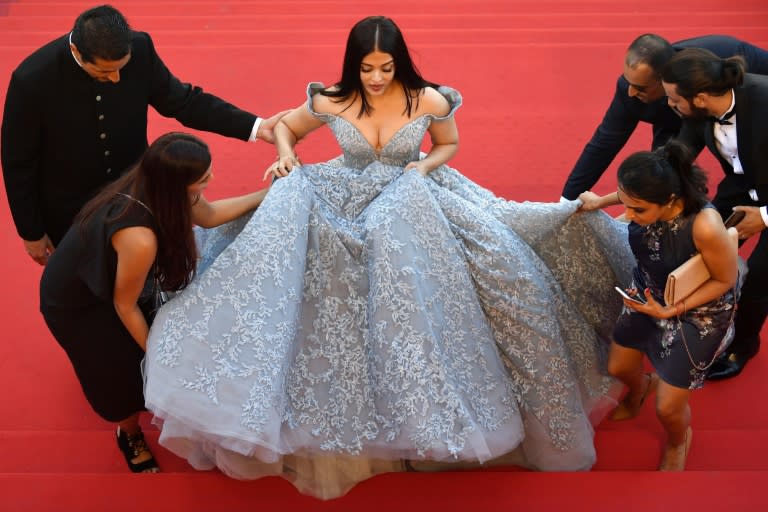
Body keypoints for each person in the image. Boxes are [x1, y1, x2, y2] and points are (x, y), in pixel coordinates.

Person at [143, 16, 635, 500]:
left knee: (503, 266)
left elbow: (448, 144)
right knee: (327, 284)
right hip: (342, 191)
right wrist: (289, 155)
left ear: (399, 62)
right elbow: (285, 129)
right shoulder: (331, 99)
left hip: (415, 191)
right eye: (366, 69)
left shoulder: (430, 98)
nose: (376, 79)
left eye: (385, 67)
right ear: (352, 67)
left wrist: (422, 168)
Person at [39, 132, 269, 473]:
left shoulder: (160, 187)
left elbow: (209, 216)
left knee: (134, 356)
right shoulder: (139, 237)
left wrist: (267, 196)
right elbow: (125, 306)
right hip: (78, 303)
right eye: (203, 178)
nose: (211, 180)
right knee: (117, 375)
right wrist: (159, 356)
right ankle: (128, 432)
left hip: (113, 281)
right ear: (176, 183)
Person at [1, 4, 286, 265]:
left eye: (121, 69)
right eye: (104, 72)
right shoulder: (32, 80)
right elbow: (18, 163)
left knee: (145, 272)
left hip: (135, 191)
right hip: (71, 210)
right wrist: (31, 231)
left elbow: (184, 102)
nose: (115, 79)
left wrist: (256, 126)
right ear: (77, 52)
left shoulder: (141, 48)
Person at [580, 141, 740, 470]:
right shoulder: (650, 199)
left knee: (668, 408)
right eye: (627, 202)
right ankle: (644, 386)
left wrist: (671, 311)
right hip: (648, 293)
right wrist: (600, 200)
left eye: (637, 210)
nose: (627, 215)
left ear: (669, 200)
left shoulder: (705, 226)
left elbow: (724, 281)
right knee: (619, 368)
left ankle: (679, 440)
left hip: (699, 313)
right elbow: (629, 198)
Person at [659, 48, 768, 380]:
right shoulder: (699, 113)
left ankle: (743, 345)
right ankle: (699, 320)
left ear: (701, 98)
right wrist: (639, 189)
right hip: (745, 181)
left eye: (673, 99)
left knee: (760, 278)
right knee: (695, 243)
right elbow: (676, 157)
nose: (668, 105)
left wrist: (764, 217)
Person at [560, 34, 768, 201]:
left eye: (640, 87)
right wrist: (567, 202)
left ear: (665, 81)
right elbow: (604, 143)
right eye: (627, 81)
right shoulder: (632, 91)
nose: (630, 92)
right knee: (660, 177)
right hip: (678, 117)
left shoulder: (716, 76)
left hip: (737, 108)